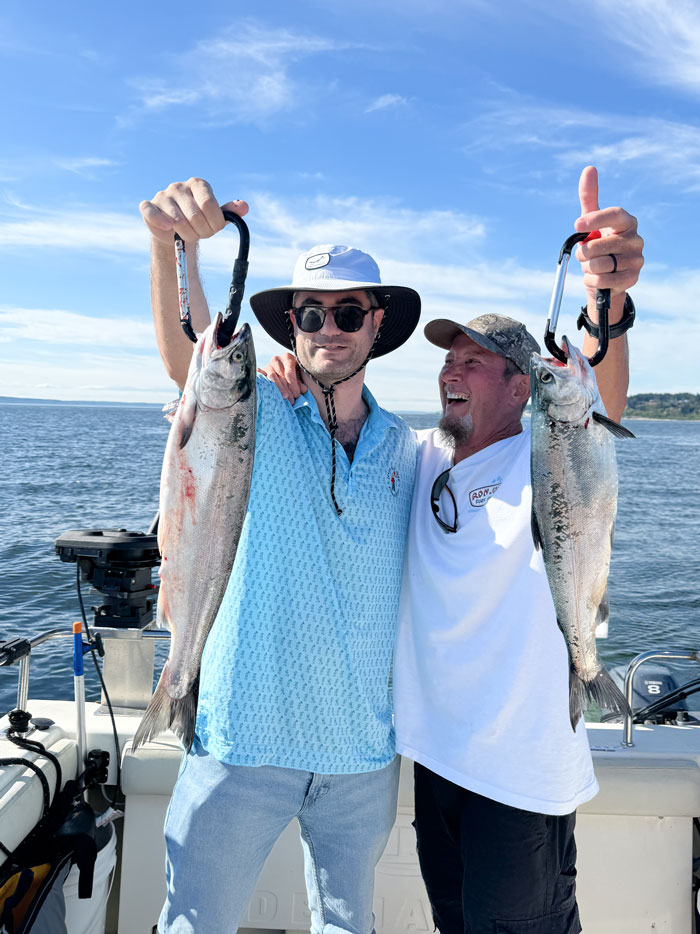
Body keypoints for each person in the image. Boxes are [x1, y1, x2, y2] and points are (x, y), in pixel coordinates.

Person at [263, 166, 644, 934]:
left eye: (472, 362)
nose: (450, 371)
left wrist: (607, 299)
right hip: (435, 765)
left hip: (521, 776)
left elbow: (599, 395)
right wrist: (292, 377)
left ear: (520, 387)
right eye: (447, 360)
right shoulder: (419, 455)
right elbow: (344, 430)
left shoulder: (547, 451)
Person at [139, 177, 421, 934]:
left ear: (377, 322)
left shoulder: (411, 449)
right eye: (309, 312)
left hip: (363, 755)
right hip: (236, 739)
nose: (328, 327)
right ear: (291, 323)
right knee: (195, 925)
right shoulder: (251, 408)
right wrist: (176, 249)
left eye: (349, 311)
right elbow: (194, 353)